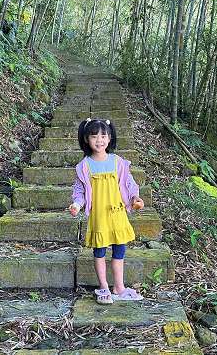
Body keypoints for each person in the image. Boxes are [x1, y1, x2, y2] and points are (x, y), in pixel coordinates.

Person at [69, 117, 145, 304]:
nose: (99, 140)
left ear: (110, 138)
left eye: (103, 136)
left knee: (120, 249)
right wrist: (77, 205)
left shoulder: (118, 162)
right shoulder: (84, 166)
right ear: (86, 139)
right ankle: (103, 286)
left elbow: (129, 183)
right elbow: (79, 191)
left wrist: (135, 197)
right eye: (94, 136)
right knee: (100, 250)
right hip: (99, 216)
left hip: (117, 213)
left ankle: (119, 287)